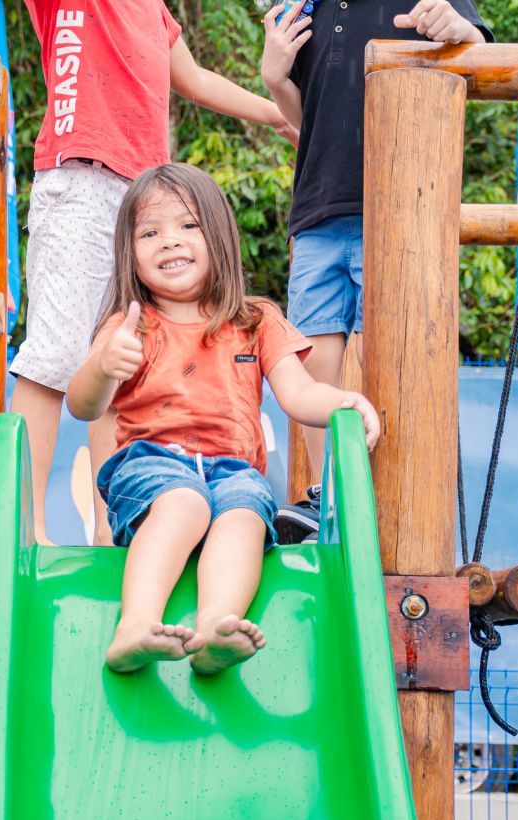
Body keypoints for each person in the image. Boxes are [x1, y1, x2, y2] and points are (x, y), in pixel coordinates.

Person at [66, 163, 380, 674]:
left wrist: (343, 403)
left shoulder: (255, 320)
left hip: (233, 472)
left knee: (246, 515)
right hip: (151, 465)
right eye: (150, 233)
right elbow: (84, 406)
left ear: (219, 237)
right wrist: (103, 367)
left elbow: (299, 393)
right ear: (130, 254)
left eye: (188, 225)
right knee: (184, 502)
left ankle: (217, 627)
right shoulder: (130, 325)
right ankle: (134, 626)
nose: (170, 241)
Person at [12, 0, 298, 545]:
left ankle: (107, 531)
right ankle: (27, 530)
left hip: (142, 201)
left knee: (119, 359)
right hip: (82, 181)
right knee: (53, 357)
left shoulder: (153, 10)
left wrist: (275, 114)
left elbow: (194, 78)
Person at [261, 0, 492, 541]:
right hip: (318, 208)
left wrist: (462, 31)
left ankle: (388, 504)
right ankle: (326, 497)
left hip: (400, 205)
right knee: (312, 361)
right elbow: (308, 119)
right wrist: (276, 80)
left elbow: (483, 59)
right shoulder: (303, 7)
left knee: (389, 360)